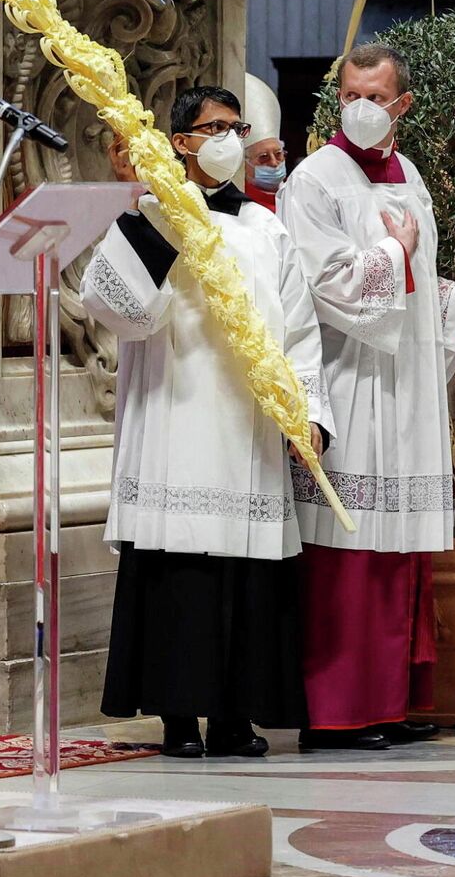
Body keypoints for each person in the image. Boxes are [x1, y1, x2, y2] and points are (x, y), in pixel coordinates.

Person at [88, 86, 331, 759]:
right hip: (178, 415)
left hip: (249, 428)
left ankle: (233, 715)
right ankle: (177, 717)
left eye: (234, 126)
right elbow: (124, 311)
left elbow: (300, 330)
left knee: (248, 582)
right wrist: (144, 209)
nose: (227, 138)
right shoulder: (153, 214)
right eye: (212, 127)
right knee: (180, 577)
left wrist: (306, 412)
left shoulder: (265, 226)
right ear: (180, 142)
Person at [277, 42, 455, 751]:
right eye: (351, 97)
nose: (362, 109)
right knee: (349, 550)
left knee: (399, 547)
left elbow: (411, 290)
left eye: (376, 98)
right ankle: (338, 710)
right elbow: (323, 287)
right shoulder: (313, 180)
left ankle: (395, 701)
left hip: (404, 384)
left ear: (402, 105)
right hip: (349, 377)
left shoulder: (409, 176)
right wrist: (396, 255)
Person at [243, 73, 289, 211]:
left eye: (278, 154)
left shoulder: (298, 194)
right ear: (245, 164)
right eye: (263, 157)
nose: (274, 163)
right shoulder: (240, 203)